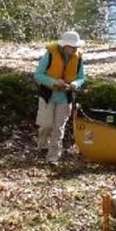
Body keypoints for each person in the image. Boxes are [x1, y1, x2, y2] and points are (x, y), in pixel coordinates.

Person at [34, 30, 87, 164]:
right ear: (64, 46)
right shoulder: (50, 55)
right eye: (72, 47)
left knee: (58, 128)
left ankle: (53, 157)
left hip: (65, 98)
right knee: (46, 125)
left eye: (76, 47)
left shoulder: (78, 58)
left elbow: (81, 77)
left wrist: (75, 84)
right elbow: (38, 75)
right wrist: (54, 82)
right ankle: (42, 146)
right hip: (48, 95)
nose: (75, 49)